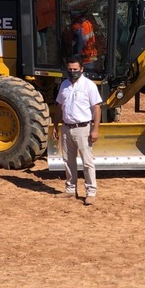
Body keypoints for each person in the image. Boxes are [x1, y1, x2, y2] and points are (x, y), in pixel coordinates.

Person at [52, 55, 102, 205]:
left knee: (87, 162)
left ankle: (91, 192)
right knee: (68, 160)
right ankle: (70, 189)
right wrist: (55, 126)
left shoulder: (89, 85)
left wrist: (95, 129)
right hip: (67, 128)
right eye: (70, 69)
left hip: (83, 129)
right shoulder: (64, 85)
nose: (72, 72)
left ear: (81, 69)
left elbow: (97, 108)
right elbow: (59, 107)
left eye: (75, 69)